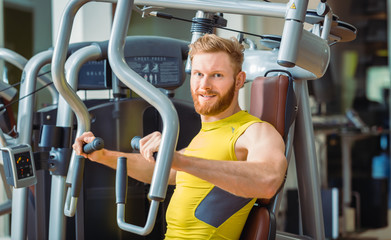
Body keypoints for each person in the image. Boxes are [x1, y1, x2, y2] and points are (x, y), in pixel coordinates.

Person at [73, 33, 287, 239]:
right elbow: (165, 171)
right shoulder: (203, 136)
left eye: (217, 75)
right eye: (198, 74)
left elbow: (268, 180)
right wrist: (102, 155)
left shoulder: (253, 130)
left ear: (239, 80)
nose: (205, 85)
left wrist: (179, 159)